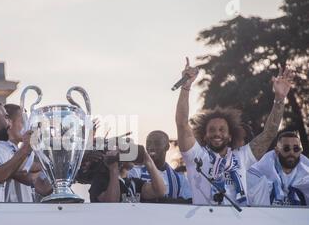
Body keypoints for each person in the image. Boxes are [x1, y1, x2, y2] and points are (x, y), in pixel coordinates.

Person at [175, 57, 294, 206]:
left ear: (230, 136)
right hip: (205, 224)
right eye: (211, 130)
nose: (217, 133)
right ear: (204, 136)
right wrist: (185, 88)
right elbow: (182, 124)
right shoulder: (196, 157)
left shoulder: (242, 156)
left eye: (222, 130)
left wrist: (280, 99)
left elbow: (269, 133)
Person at [0, 104, 52, 202]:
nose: (28, 127)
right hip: (9, 213)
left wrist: (63, 171)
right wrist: (50, 163)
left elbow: (43, 188)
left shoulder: (19, 150)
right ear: (9, 123)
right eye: (23, 122)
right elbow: (27, 177)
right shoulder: (1, 148)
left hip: (26, 211)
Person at [247, 131, 309, 206]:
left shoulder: (306, 173)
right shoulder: (261, 171)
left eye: (296, 149)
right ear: (277, 151)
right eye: (286, 148)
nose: (291, 153)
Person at [129, 130, 192, 201]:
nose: (151, 147)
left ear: (167, 147)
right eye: (148, 143)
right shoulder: (135, 171)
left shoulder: (180, 180)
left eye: (157, 143)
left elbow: (188, 204)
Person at [89, 149, 166, 203]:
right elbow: (111, 204)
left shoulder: (135, 183)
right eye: (124, 151)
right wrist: (113, 169)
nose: (130, 155)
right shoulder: (100, 181)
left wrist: (148, 162)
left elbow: (159, 192)